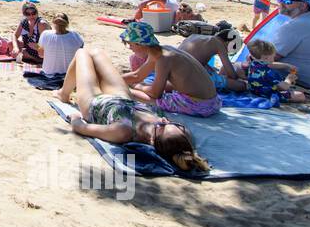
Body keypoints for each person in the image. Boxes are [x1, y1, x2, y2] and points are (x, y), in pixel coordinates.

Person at [57, 48, 209, 173]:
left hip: (94, 102)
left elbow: (81, 127)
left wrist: (75, 117)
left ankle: (64, 94)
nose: (164, 120)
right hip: (122, 98)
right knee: (97, 52)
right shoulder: (181, 136)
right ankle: (66, 90)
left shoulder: (123, 131)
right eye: (171, 123)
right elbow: (185, 146)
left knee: (81, 53)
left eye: (161, 125)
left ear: (151, 141)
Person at [120, 21, 221, 116]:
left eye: (130, 44)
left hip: (200, 105)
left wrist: (137, 87)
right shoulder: (161, 50)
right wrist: (113, 79)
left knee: (129, 93)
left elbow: (155, 94)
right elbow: (137, 75)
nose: (130, 48)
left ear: (139, 43)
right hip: (213, 101)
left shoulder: (162, 58)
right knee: (139, 85)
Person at [236, 39, 307, 103]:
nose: (273, 59)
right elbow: (284, 87)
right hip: (268, 95)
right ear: (266, 58)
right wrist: (289, 79)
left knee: (295, 90)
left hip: (254, 90)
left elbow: (270, 64)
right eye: (273, 57)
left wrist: (287, 65)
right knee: (300, 95)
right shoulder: (270, 73)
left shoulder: (254, 62)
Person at [36, 12, 83, 77]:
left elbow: (41, 55)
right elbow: (80, 55)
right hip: (69, 77)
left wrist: (36, 46)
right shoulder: (75, 35)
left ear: (53, 23)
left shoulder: (45, 34)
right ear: (67, 23)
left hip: (49, 75)